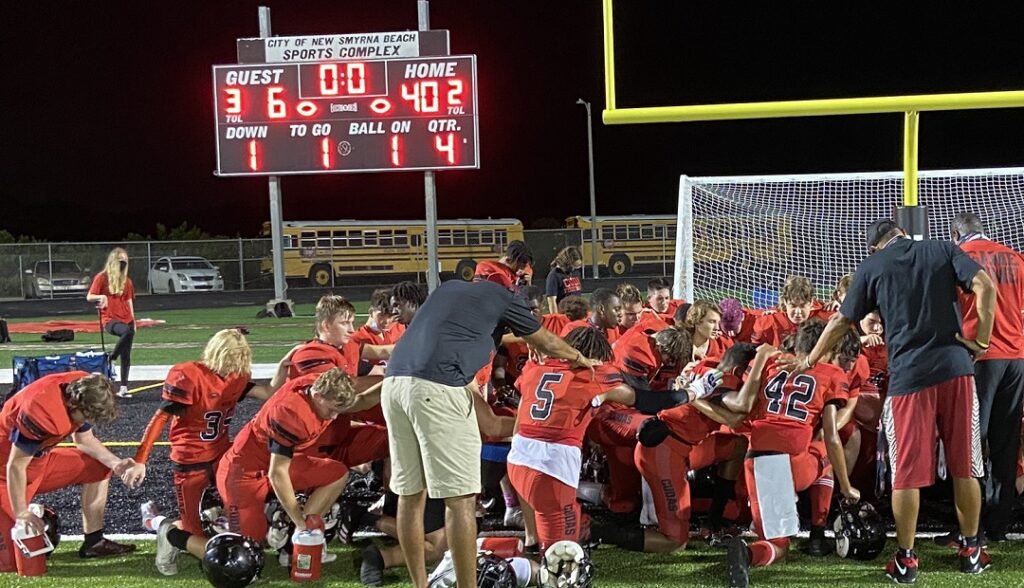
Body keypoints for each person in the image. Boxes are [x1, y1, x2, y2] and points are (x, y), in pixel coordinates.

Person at [784, 218, 997, 584]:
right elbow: (985, 286)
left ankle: (907, 560)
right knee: (966, 464)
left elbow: (839, 322)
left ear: (874, 247)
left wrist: (808, 359)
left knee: (906, 474)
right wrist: (982, 339)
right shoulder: (943, 248)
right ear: (901, 234)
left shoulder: (873, 266)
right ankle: (972, 550)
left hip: (910, 377)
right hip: (956, 369)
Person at [381, 279, 599, 588]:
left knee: (410, 494)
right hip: (439, 387)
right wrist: (579, 358)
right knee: (460, 502)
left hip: (394, 384)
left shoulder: (450, 289)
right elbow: (546, 341)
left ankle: (420, 584)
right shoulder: (506, 297)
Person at [134, 329, 288, 575]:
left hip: (222, 455)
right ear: (218, 353)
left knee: (243, 503)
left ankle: (218, 522)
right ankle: (164, 528)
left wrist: (284, 365)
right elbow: (161, 417)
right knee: (193, 533)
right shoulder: (189, 374)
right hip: (190, 459)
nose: (233, 366)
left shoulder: (237, 377)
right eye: (230, 358)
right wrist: (140, 459)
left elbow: (269, 394)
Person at [725, 324, 858, 588]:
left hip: (755, 459)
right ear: (827, 347)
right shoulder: (831, 371)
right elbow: (831, 436)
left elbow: (742, 404)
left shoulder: (770, 362)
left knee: (777, 546)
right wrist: (846, 486)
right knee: (824, 453)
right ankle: (818, 534)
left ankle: (748, 553)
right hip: (791, 463)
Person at [201, 369, 358, 571]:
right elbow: (278, 473)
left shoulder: (319, 384)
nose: (334, 417)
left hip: (273, 463)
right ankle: (193, 526)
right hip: (243, 473)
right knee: (249, 551)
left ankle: (292, 540)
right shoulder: (291, 414)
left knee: (336, 473)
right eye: (332, 409)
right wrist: (300, 521)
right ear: (318, 396)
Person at [508, 327, 635, 551]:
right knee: (562, 554)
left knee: (551, 532)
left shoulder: (535, 365)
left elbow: (521, 416)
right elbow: (634, 395)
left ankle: (531, 542)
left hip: (518, 457)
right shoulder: (594, 374)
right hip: (552, 464)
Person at [938, 212, 1024, 543]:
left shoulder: (960, 257)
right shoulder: (1014, 257)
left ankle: (968, 528)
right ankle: (998, 525)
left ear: (956, 232)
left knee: (970, 443)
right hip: (1015, 358)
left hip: (978, 356)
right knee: (1005, 443)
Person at [0, 372, 141, 573]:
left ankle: (94, 542)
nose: (87, 421)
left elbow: (84, 440)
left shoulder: (84, 386)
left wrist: (116, 463)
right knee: (15, 562)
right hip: (5, 473)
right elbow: (16, 465)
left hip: (39, 462)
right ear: (74, 403)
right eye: (86, 415)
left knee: (98, 466)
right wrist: (21, 512)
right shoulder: (42, 409)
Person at [86, 247, 136, 398]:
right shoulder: (101, 277)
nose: (123, 264)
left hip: (126, 318)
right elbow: (89, 296)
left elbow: (129, 301)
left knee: (126, 354)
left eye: (125, 261)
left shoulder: (127, 281)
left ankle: (124, 388)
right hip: (110, 319)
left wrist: (134, 320)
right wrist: (102, 297)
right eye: (120, 260)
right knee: (125, 332)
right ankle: (112, 358)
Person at [751, 276, 819, 346]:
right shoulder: (769, 322)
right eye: (793, 306)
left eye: (802, 306)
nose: (798, 312)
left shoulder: (822, 317)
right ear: (785, 301)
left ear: (811, 303)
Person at [545, 246, 583, 313]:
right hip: (564, 315)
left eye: (576, 267)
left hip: (577, 314)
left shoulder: (575, 273)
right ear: (567, 263)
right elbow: (551, 300)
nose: (574, 269)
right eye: (573, 266)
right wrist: (556, 318)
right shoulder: (554, 275)